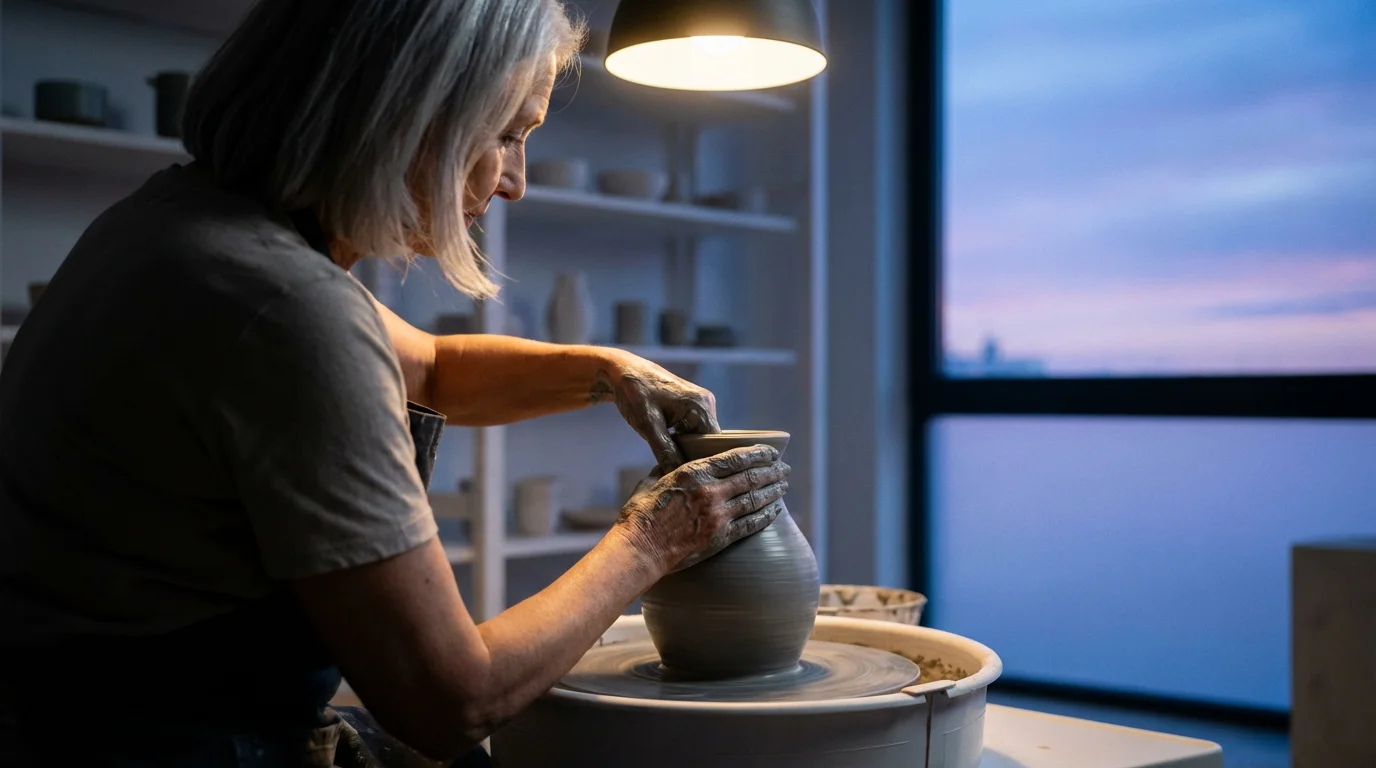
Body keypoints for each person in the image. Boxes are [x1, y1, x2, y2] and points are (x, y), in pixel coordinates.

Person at [0, 0, 792, 765]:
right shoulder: (282, 308)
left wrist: (607, 371)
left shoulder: (184, 226)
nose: (515, 180)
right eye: (506, 134)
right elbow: (451, 702)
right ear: (406, 115)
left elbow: (434, 366)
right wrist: (656, 539)